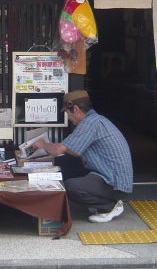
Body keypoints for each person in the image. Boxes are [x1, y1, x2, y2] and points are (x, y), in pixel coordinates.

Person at [33, 90, 133, 223]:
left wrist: (43, 144)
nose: (69, 117)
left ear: (76, 109)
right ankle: (101, 200)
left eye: (68, 113)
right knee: (66, 162)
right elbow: (71, 151)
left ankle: (108, 206)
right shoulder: (97, 120)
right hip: (111, 177)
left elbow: (59, 149)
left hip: (113, 183)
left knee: (71, 186)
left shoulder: (90, 123)